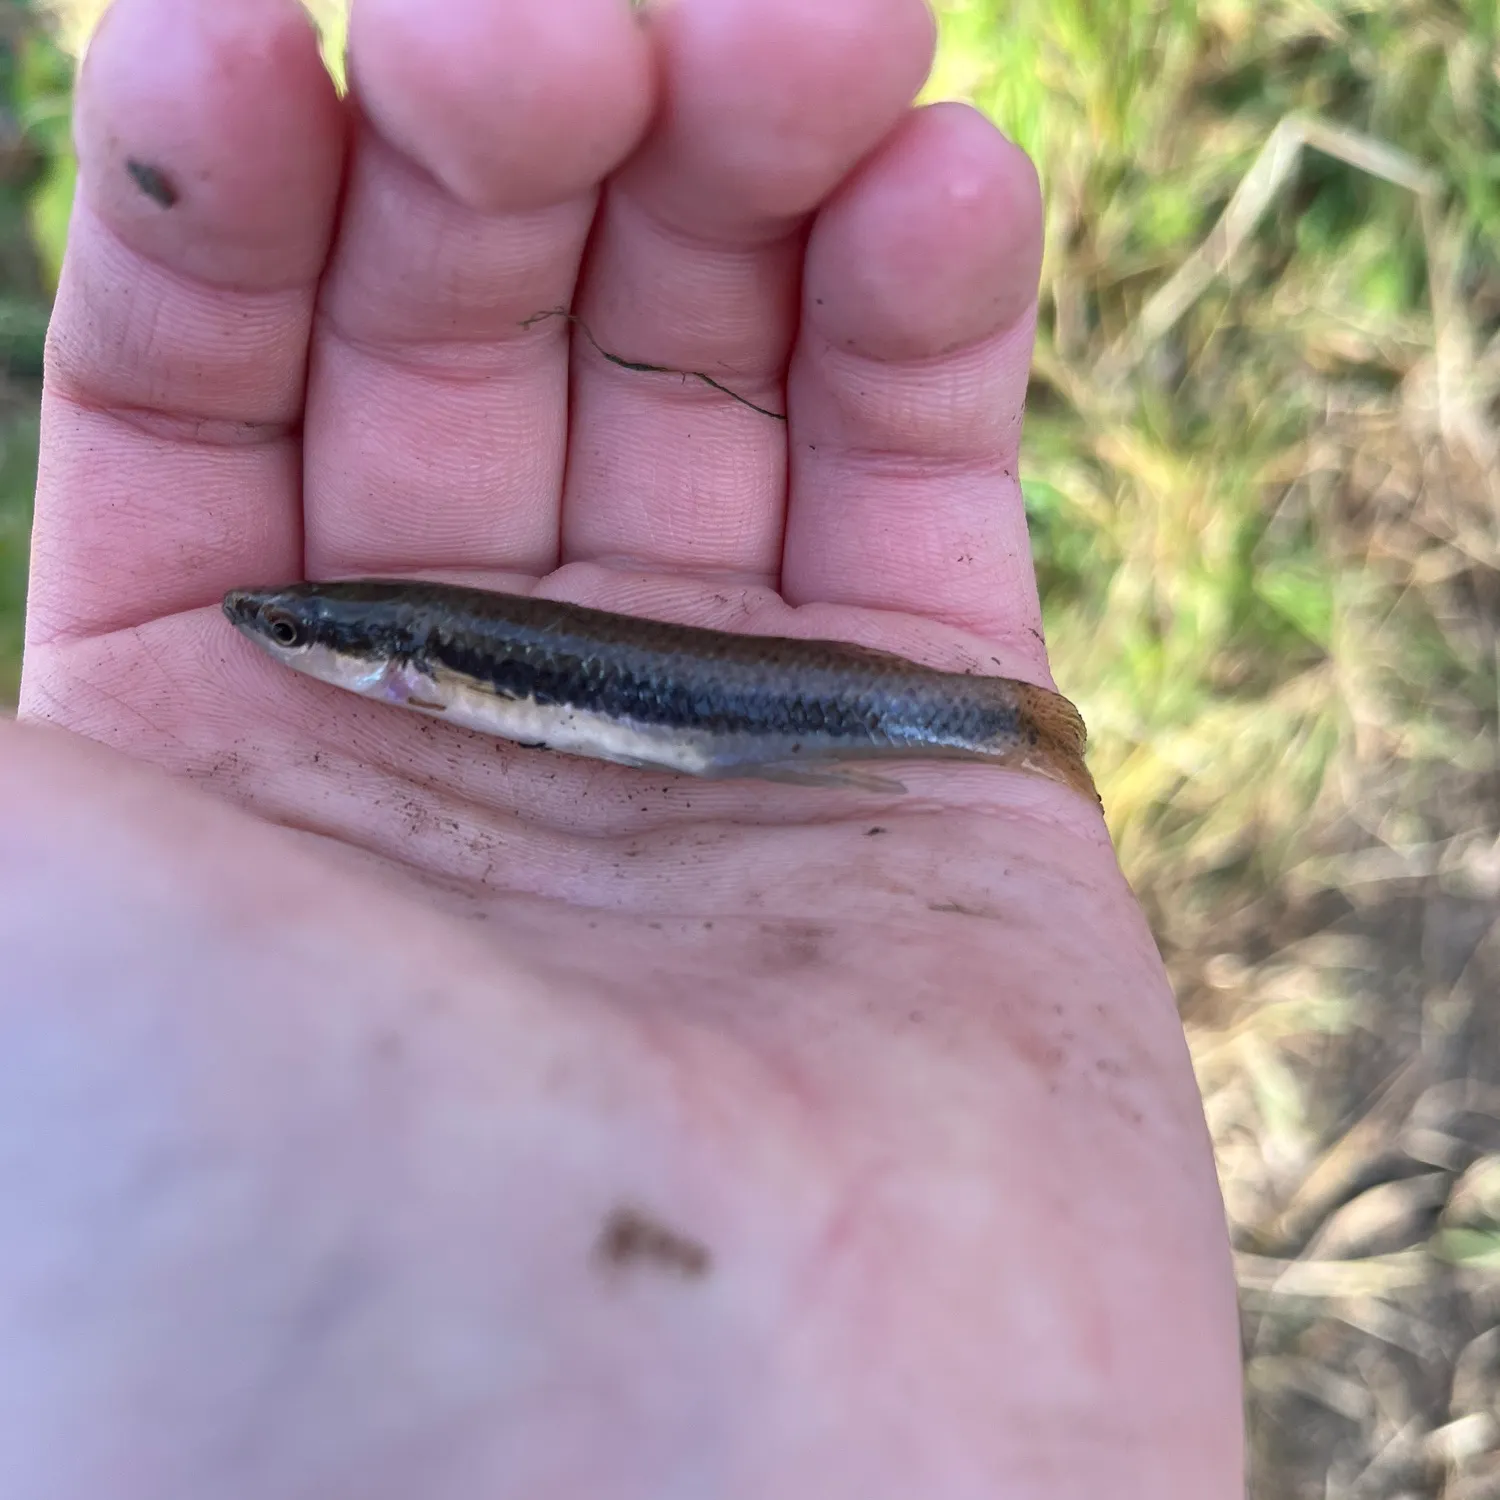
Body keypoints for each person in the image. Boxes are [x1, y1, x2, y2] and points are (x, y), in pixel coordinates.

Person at [0, 0, 1244, 1493]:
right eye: (278, 625)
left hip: (763, 709)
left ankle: (995, 732)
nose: (256, 632)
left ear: (367, 649)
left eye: (283, 626)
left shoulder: (406, 653)